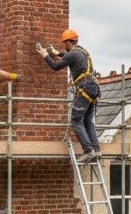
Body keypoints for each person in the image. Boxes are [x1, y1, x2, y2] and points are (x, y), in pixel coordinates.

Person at [35, 29, 101, 162]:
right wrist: (56, 52)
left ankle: (89, 151)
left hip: (85, 88)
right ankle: (97, 151)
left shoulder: (73, 54)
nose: (64, 45)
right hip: (93, 87)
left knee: (76, 121)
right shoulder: (82, 51)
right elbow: (67, 55)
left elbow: (55, 66)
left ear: (69, 42)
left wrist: (44, 55)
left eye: (65, 43)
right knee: (88, 121)